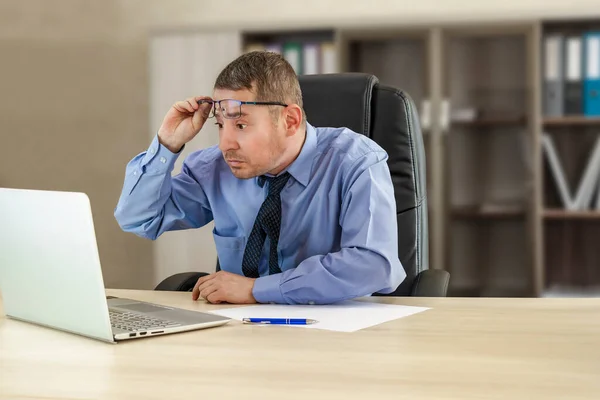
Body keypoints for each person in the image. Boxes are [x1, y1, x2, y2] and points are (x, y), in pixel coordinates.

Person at [114, 51, 406, 305]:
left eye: (241, 125)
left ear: (290, 120)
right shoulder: (214, 168)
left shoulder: (356, 161)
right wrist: (166, 145)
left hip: (339, 333)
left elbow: (374, 264)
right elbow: (139, 219)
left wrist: (258, 289)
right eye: (220, 125)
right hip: (243, 333)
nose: (226, 143)